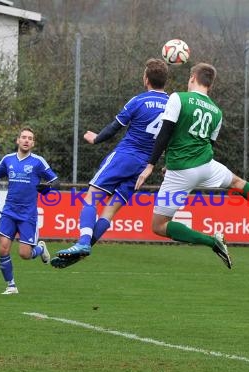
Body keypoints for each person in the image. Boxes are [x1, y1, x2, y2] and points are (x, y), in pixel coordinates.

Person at [132, 62, 249, 269]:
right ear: (211, 84)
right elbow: (208, 143)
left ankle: (213, 241)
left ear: (192, 78)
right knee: (237, 182)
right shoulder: (217, 112)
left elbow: (165, 134)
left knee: (159, 225)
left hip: (181, 171)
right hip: (207, 166)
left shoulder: (178, 98)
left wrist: (151, 165)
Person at [54, 58, 169, 268]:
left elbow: (114, 128)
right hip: (144, 167)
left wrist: (96, 139)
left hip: (124, 157)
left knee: (91, 198)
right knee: (109, 211)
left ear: (146, 79)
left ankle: (82, 242)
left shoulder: (138, 101)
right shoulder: (173, 105)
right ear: (165, 81)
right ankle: (83, 250)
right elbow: (172, 140)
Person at [0, 126, 59, 294]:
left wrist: (46, 187)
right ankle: (11, 285)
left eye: (30, 138)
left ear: (33, 143)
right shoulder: (8, 160)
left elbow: (55, 180)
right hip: (9, 211)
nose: (26, 140)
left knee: (25, 254)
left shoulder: (38, 162)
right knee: (3, 248)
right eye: (23, 137)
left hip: (27, 214)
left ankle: (39, 249)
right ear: (18, 140)